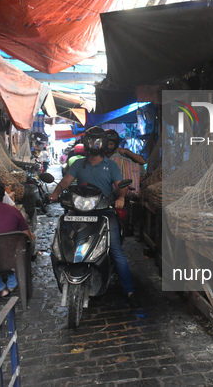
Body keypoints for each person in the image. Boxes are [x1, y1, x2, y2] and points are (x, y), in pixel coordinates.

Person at [49, 127, 138, 307]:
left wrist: (121, 197)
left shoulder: (111, 165)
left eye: (98, 142)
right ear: (86, 143)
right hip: (78, 211)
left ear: (103, 144)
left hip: (104, 211)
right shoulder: (78, 164)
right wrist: (56, 191)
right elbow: (66, 180)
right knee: (64, 239)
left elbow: (120, 184)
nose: (94, 145)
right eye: (91, 141)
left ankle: (129, 290)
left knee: (116, 251)